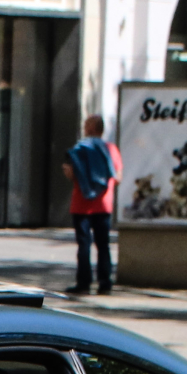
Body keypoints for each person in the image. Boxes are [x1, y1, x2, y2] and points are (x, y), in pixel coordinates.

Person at [63, 114, 121, 295]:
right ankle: (105, 283)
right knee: (103, 245)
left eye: (85, 124)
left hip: (81, 205)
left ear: (90, 128)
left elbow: (70, 173)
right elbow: (118, 176)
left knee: (84, 245)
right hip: (103, 205)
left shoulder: (80, 149)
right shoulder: (110, 149)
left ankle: (83, 283)